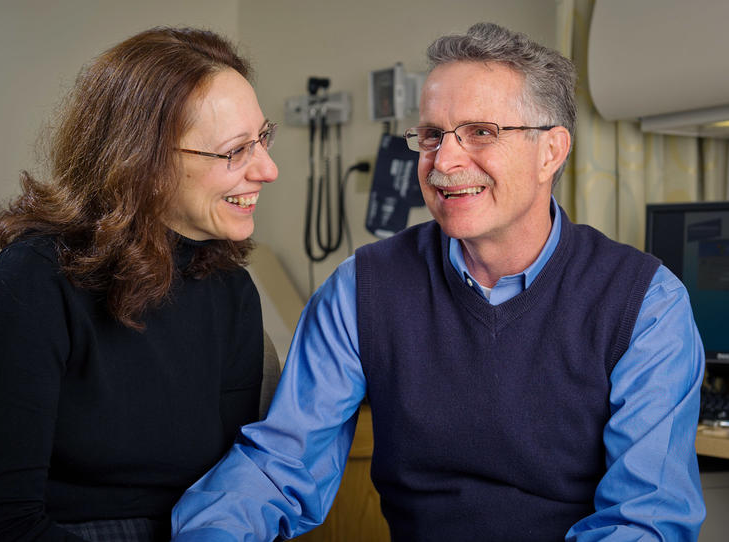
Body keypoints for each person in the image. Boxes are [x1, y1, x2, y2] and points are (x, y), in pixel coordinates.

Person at [170, 22, 706, 541]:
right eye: (431, 135)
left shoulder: (646, 305)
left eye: (480, 133)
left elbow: (644, 522)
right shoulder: (361, 290)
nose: (444, 161)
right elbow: (279, 468)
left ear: (551, 151)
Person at [0, 26, 278, 542]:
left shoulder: (231, 291)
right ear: (144, 164)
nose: (269, 168)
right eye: (235, 151)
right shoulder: (32, 281)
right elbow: (2, 520)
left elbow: (223, 490)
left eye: (263, 137)